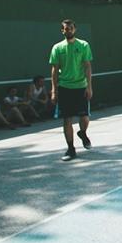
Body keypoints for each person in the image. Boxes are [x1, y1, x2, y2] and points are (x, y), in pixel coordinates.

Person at [50, 19, 93, 161]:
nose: (68, 31)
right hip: (64, 88)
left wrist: (89, 86)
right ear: (62, 31)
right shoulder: (57, 48)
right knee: (67, 119)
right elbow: (54, 70)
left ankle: (83, 133)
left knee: (84, 118)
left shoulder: (84, 45)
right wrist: (54, 90)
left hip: (80, 87)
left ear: (75, 29)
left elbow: (87, 66)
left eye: (70, 28)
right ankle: (71, 149)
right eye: (65, 29)